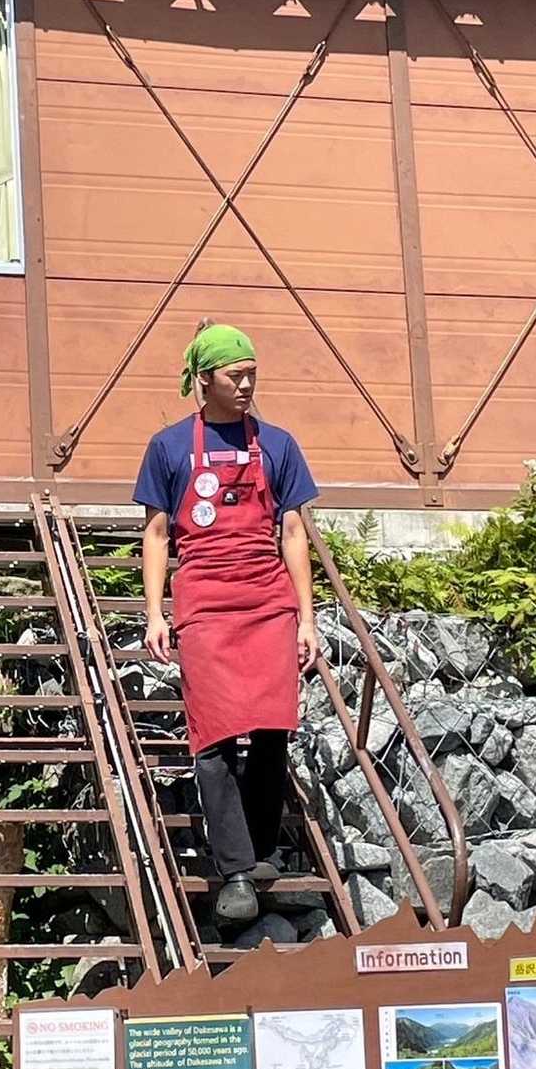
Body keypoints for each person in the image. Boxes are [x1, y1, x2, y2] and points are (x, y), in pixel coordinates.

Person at [133, 320, 320, 925]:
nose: (245, 386)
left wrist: (306, 618)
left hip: (267, 598)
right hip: (205, 602)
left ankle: (260, 850)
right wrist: (155, 612)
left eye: (251, 376)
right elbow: (157, 534)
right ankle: (235, 871)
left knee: (272, 727)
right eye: (234, 376)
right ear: (204, 379)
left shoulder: (279, 445)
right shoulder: (168, 447)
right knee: (212, 737)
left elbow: (294, 534)